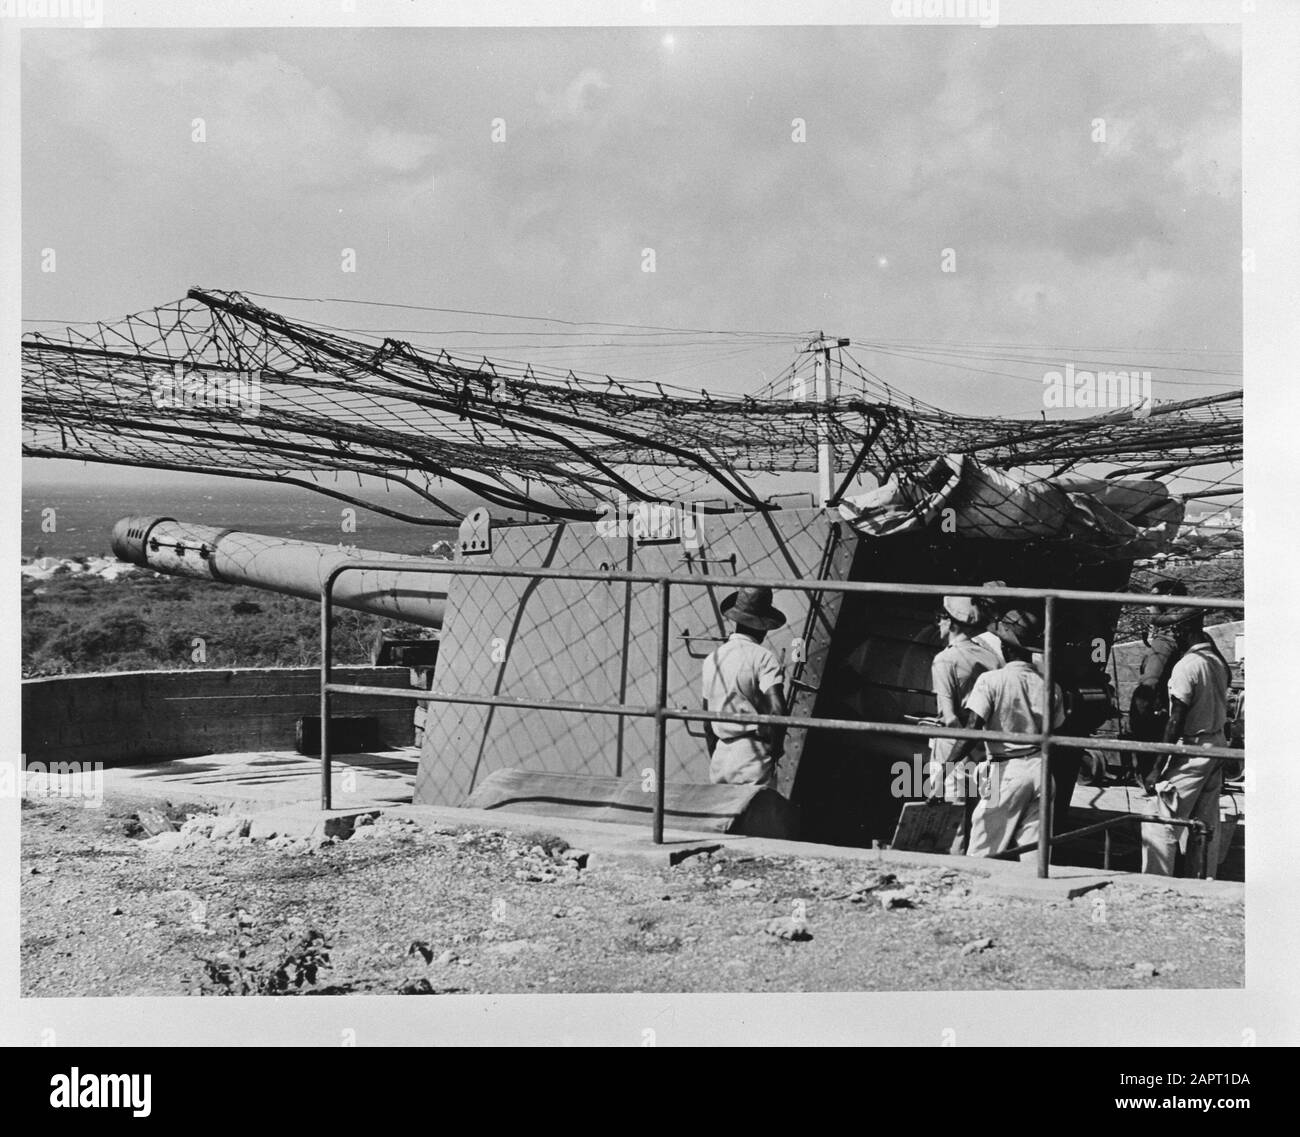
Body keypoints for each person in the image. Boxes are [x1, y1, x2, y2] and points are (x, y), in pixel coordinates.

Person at [947, 612, 1065, 859]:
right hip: (1041, 770)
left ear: (1004, 646)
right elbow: (1057, 726)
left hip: (1006, 772)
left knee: (983, 848)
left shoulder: (991, 680)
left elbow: (971, 731)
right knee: (1035, 856)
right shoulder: (1051, 686)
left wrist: (943, 772)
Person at [1140, 606, 1231, 877]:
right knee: (1203, 824)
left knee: (1159, 818)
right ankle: (1201, 880)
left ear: (1182, 630)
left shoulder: (1186, 667)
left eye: (1172, 630)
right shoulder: (1215, 660)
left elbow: (1175, 720)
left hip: (1194, 749)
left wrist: (1157, 766)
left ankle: (1156, 882)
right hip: (1217, 746)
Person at [926, 597, 1001, 850]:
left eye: (940, 618)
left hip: (953, 748)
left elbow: (949, 717)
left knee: (952, 816)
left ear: (950, 622)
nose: (938, 625)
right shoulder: (990, 657)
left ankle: (954, 867)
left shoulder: (945, 660)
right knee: (980, 816)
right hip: (985, 748)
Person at [701, 586, 789, 787]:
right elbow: (777, 710)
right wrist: (775, 750)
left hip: (720, 757)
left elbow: (706, 720)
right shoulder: (763, 658)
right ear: (764, 626)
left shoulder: (711, 659)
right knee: (757, 816)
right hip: (752, 755)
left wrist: (716, 754)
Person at [1126, 580, 1189, 785]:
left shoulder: (1164, 643)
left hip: (1156, 723)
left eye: (1153, 598)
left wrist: (1136, 722)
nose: (1148, 603)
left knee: (1152, 783)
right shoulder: (1187, 638)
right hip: (1176, 722)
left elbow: (1149, 687)